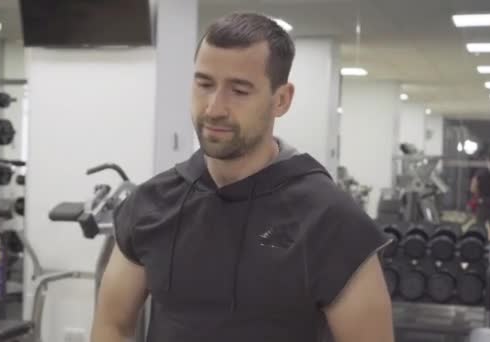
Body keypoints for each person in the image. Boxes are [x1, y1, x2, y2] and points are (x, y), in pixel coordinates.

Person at [91, 12, 394, 342]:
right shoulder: (151, 203)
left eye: (239, 90)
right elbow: (113, 325)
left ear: (281, 100)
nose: (214, 108)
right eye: (204, 84)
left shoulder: (331, 220)